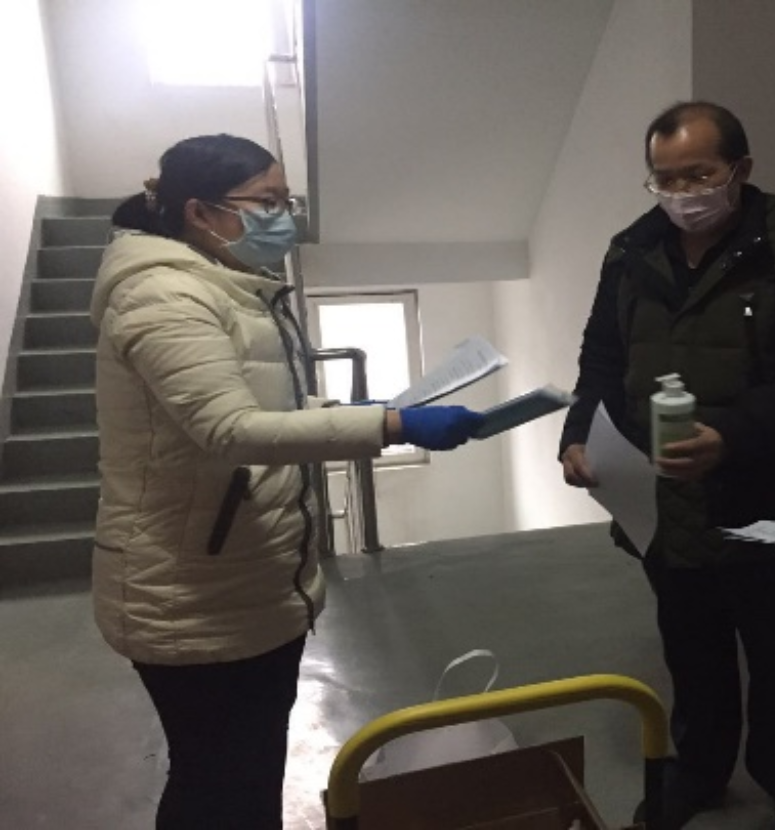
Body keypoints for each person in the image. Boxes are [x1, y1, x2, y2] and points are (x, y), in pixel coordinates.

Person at [91, 134, 483, 829]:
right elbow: (230, 429)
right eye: (266, 202)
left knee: (246, 774)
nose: (284, 218)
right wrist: (389, 427)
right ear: (199, 212)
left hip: (246, 581)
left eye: (286, 200)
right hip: (190, 594)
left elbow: (262, 405)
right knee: (217, 784)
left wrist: (362, 412)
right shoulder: (164, 295)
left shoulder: (226, 283)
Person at [559, 102, 775, 830]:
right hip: (659, 499)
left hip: (762, 493)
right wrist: (578, 433)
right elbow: (601, 356)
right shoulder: (631, 253)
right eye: (664, 178)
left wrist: (730, 436)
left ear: (740, 169)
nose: (681, 193)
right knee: (690, 646)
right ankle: (698, 770)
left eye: (698, 174)